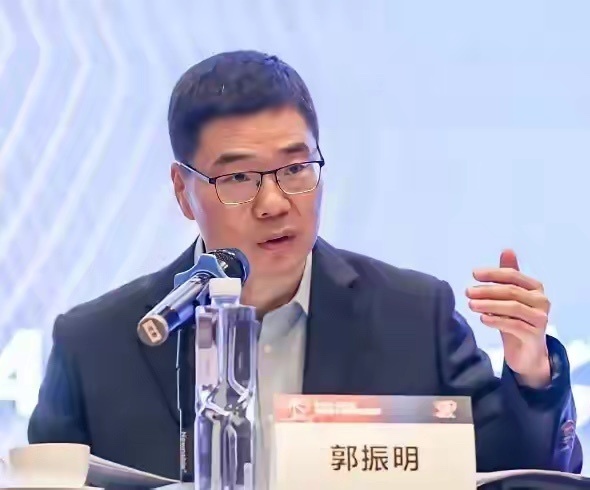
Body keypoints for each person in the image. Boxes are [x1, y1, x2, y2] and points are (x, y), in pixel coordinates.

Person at [28, 50, 583, 482]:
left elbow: (521, 474)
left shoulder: (414, 318)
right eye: (238, 178)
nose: (274, 203)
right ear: (182, 190)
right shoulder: (94, 344)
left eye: (295, 168)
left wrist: (532, 368)